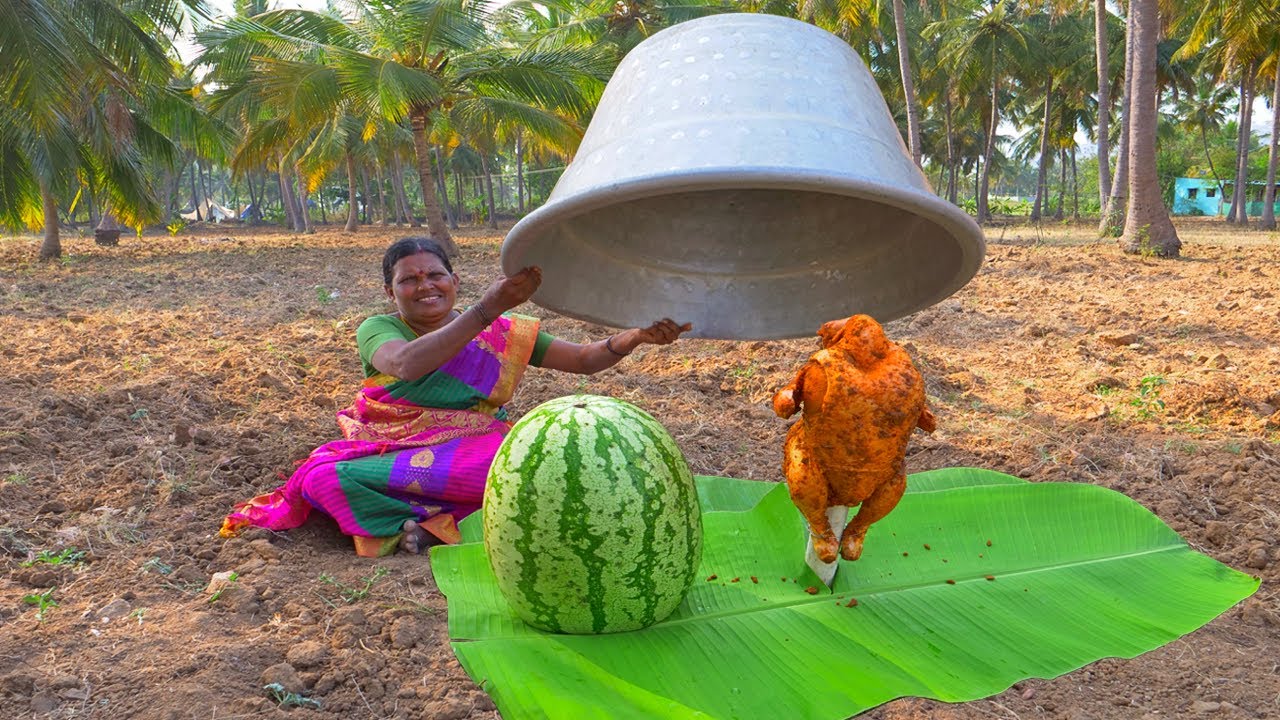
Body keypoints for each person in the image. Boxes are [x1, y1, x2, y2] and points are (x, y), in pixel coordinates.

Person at [221, 237, 691, 556]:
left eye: (435, 275)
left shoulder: (501, 333)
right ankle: (441, 524)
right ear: (391, 292)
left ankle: (431, 527)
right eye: (409, 279)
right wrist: (487, 309)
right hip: (396, 447)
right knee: (320, 478)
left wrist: (632, 338)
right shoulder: (379, 328)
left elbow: (585, 360)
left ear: (454, 281)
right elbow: (406, 364)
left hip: (472, 448)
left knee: (524, 469)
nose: (425, 286)